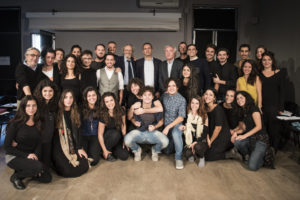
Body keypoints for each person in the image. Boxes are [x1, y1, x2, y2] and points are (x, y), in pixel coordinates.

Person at [4, 95, 52, 190]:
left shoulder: (38, 122)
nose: (31, 108)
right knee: (38, 167)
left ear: (37, 107)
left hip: (31, 156)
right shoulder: (15, 123)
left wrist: (35, 157)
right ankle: (16, 177)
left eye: (34, 105)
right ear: (23, 107)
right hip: (15, 156)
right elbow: (7, 147)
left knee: (47, 178)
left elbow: (39, 142)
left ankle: (27, 170)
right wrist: (27, 156)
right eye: (28, 105)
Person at [230, 91, 273, 171]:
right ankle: (248, 155)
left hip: (260, 140)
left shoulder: (254, 108)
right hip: (250, 139)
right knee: (237, 141)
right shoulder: (243, 111)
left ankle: (264, 154)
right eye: (237, 99)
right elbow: (244, 129)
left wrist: (244, 136)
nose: (239, 100)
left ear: (247, 98)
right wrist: (235, 133)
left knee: (252, 167)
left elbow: (259, 127)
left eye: (241, 98)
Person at [124, 86, 169, 162]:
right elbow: (129, 118)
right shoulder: (137, 104)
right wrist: (134, 119)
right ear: (141, 97)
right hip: (140, 132)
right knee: (127, 140)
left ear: (152, 97)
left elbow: (161, 121)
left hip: (152, 132)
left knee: (165, 142)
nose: (147, 97)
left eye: (149, 95)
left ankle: (155, 150)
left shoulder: (156, 104)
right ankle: (137, 150)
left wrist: (155, 127)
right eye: (145, 95)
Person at [52, 90, 89, 177]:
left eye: (70, 97)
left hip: (73, 144)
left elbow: (79, 131)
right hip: (60, 145)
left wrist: (79, 148)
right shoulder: (56, 113)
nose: (68, 100)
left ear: (73, 99)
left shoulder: (76, 112)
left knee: (85, 165)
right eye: (65, 97)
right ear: (62, 99)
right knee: (67, 172)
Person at [259, 51, 284, 152]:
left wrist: (281, 108)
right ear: (261, 61)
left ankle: (273, 152)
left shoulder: (279, 73)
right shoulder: (258, 74)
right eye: (264, 60)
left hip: (274, 107)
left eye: (269, 59)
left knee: (274, 131)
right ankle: (264, 152)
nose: (266, 62)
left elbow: (282, 91)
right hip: (262, 106)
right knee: (264, 130)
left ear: (272, 61)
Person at [33, 79, 58, 169]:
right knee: (36, 169)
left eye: (50, 91)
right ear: (40, 91)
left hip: (48, 142)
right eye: (45, 91)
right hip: (37, 143)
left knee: (46, 172)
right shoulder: (35, 105)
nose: (48, 93)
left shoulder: (53, 105)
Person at [162, 78, 186, 169]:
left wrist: (168, 127)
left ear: (177, 87)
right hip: (165, 124)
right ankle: (176, 144)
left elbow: (181, 117)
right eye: (169, 86)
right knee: (167, 151)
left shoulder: (181, 99)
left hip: (176, 124)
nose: (171, 88)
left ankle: (179, 158)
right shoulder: (164, 96)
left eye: (173, 86)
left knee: (176, 134)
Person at [98, 92, 129, 161]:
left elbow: (123, 126)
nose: (110, 103)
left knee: (124, 156)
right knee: (115, 134)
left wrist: (125, 139)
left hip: (117, 138)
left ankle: (112, 150)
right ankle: (104, 152)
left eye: (111, 100)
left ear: (115, 100)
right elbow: (100, 134)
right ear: (104, 103)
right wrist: (104, 150)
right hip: (107, 138)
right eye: (107, 101)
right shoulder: (102, 114)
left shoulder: (121, 110)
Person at [203, 88, 232, 161]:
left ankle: (230, 154)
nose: (208, 96)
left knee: (208, 157)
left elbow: (218, 128)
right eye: (206, 94)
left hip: (222, 135)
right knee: (202, 152)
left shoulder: (218, 109)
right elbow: (206, 126)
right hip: (212, 134)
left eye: (210, 95)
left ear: (214, 98)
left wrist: (211, 141)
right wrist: (207, 138)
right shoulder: (205, 108)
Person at [180, 96, 209, 167]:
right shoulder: (187, 114)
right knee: (186, 152)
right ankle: (192, 154)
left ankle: (202, 157)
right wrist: (184, 127)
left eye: (197, 103)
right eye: (192, 103)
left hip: (201, 141)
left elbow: (205, 133)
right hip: (189, 140)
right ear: (190, 104)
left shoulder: (204, 115)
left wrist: (195, 142)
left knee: (197, 147)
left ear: (200, 105)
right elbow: (186, 126)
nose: (194, 105)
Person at [80, 87, 101, 166]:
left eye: (93, 95)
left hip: (95, 136)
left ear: (97, 96)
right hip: (83, 136)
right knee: (83, 159)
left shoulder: (100, 107)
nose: (92, 97)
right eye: (89, 96)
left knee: (94, 161)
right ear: (86, 97)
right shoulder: (80, 108)